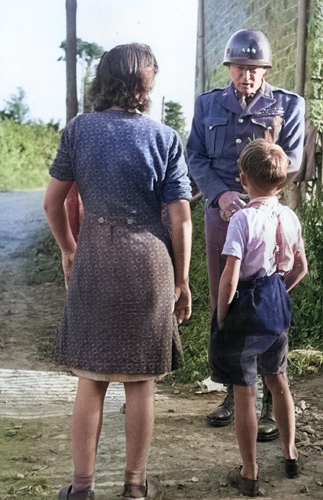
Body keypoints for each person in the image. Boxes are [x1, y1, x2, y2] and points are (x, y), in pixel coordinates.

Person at [43, 43, 192, 500]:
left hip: (96, 259)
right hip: (149, 265)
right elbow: (181, 218)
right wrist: (183, 281)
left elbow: (53, 202)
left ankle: (82, 487)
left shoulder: (79, 130)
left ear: (103, 78)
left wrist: (70, 249)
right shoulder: (165, 138)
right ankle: (134, 487)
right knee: (140, 381)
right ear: (145, 86)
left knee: (92, 379)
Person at [186, 28, 305, 438]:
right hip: (223, 215)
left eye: (254, 69)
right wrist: (219, 196)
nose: (246, 76)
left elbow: (291, 161)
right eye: (239, 67)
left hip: (269, 213)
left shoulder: (289, 105)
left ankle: (271, 399)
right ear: (229, 67)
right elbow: (195, 156)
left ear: (266, 70)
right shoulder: (207, 105)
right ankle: (232, 391)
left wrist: (259, 195)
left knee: (270, 295)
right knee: (227, 292)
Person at [209, 139, 308, 496]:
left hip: (245, 313)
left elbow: (230, 276)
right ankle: (290, 452)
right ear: (282, 183)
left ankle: (250, 470)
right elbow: (301, 267)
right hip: (276, 308)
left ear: (243, 179)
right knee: (278, 381)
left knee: (244, 392)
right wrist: (280, 291)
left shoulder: (243, 219)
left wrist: (222, 317)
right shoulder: (290, 216)